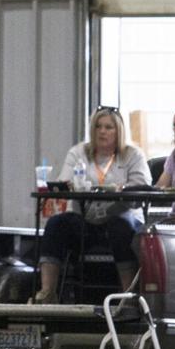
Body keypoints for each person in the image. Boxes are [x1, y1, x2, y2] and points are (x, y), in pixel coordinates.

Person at [34, 106, 150, 303]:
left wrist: (122, 190)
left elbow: (141, 190)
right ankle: (47, 294)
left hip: (120, 216)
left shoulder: (133, 155)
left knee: (120, 227)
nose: (102, 131)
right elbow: (63, 184)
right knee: (56, 225)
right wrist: (69, 185)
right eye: (98, 127)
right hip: (86, 218)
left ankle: (128, 296)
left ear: (119, 131)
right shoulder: (78, 152)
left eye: (108, 127)